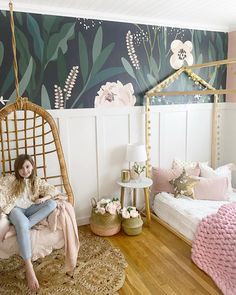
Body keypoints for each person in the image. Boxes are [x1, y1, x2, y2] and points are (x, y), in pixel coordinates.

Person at [0, 154, 59, 291]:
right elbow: (1, 192)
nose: (25, 171)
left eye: (27, 166)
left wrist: (43, 199)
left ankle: (18, 228)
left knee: (52, 204)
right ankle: (29, 267)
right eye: (21, 168)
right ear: (17, 170)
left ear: (32, 166)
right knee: (21, 223)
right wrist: (2, 209)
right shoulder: (11, 179)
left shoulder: (35, 181)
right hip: (16, 210)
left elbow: (52, 190)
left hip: (31, 208)